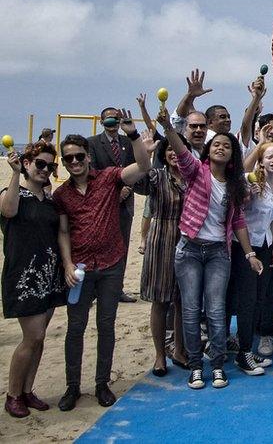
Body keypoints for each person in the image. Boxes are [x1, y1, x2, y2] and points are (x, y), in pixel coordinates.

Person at [157, 106, 257, 391]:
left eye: (227, 146)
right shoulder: (195, 172)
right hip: (189, 249)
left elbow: (238, 221)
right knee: (190, 310)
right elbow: (182, 150)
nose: (221, 148)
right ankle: (195, 366)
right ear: (209, 150)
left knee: (215, 310)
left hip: (218, 253)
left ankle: (217, 365)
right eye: (217, 144)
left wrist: (249, 253)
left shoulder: (236, 184)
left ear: (232, 154)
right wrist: (168, 128)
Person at [55, 123, 153, 411]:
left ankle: (102, 383)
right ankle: (72, 386)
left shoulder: (109, 178)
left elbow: (143, 167)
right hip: (81, 269)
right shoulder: (62, 195)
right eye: (68, 158)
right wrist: (67, 264)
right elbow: (62, 232)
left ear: (88, 157)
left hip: (111, 264)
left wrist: (134, 136)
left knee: (106, 325)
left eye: (79, 156)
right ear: (63, 161)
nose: (75, 162)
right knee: (75, 328)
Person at [2, 143, 66, 418]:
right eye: (39, 163)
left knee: (39, 341)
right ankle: (13, 394)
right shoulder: (13, 192)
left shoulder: (50, 200)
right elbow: (8, 211)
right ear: (27, 162)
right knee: (33, 337)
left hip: (48, 275)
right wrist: (15, 174)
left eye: (50, 166)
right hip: (23, 276)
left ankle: (28, 390)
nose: (44, 170)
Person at [132, 135, 190, 377]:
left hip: (187, 239)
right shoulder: (156, 176)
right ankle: (159, 354)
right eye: (169, 150)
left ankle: (179, 349)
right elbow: (136, 182)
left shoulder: (192, 178)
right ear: (163, 154)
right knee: (160, 300)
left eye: (178, 149)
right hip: (161, 238)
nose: (174, 153)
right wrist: (143, 153)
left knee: (182, 300)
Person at [230, 142, 273, 375]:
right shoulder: (249, 180)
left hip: (265, 244)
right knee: (247, 300)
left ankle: (247, 349)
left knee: (259, 299)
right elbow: (239, 212)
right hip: (244, 245)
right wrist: (247, 197)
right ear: (261, 160)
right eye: (269, 157)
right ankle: (243, 353)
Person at [86, 107, 139, 304]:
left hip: (125, 202)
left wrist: (126, 188)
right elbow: (91, 172)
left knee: (122, 246)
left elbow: (138, 167)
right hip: (101, 203)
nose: (113, 124)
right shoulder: (92, 143)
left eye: (115, 120)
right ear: (101, 122)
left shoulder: (128, 142)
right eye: (108, 121)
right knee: (98, 246)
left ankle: (117, 289)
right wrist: (112, 192)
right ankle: (93, 290)